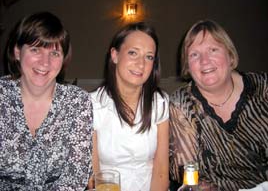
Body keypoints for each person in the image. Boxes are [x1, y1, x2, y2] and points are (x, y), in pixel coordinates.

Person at [169, 19, 268, 191]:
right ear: (187, 66)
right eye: (194, 54)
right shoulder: (182, 102)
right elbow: (186, 170)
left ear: (230, 55)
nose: (204, 61)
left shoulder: (263, 88)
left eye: (213, 50)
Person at [0, 12, 93, 190]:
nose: (45, 62)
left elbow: (75, 178)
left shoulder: (77, 102)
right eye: (35, 49)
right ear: (17, 52)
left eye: (55, 53)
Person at [89, 22, 169, 191]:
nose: (141, 64)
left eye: (149, 57)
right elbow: (93, 177)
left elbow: (161, 171)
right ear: (115, 55)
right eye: (133, 53)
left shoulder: (160, 103)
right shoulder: (91, 105)